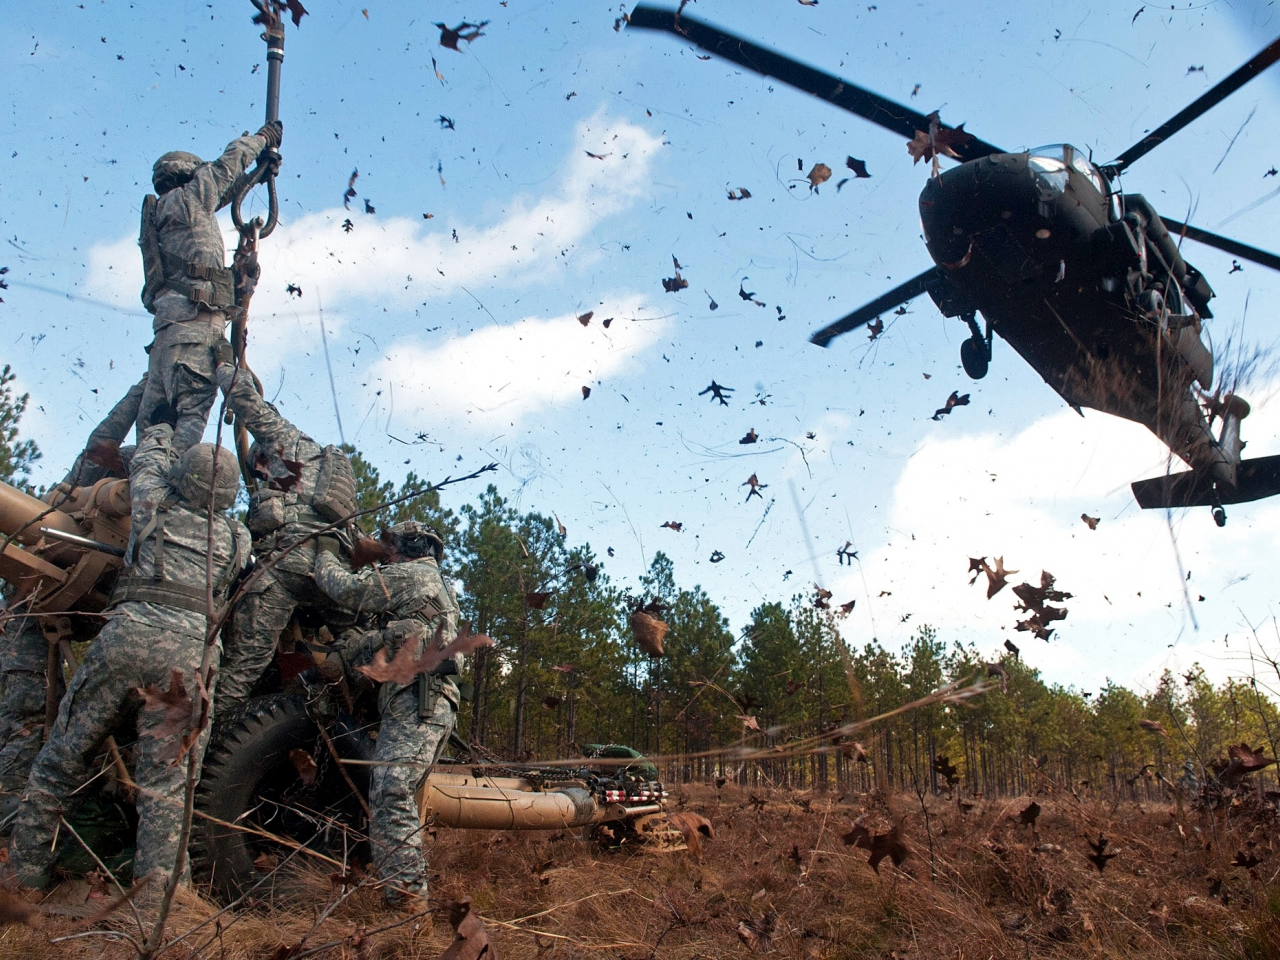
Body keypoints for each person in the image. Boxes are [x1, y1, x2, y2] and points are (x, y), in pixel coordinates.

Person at [8, 421, 250, 889]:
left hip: (129, 635)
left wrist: (161, 429)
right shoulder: (239, 539)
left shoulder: (153, 502)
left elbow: (146, 464)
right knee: (167, 789)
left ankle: (22, 879)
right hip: (191, 658)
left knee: (63, 757)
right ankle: (159, 904)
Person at [0, 376, 147, 813]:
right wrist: (145, 382)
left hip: (115, 617)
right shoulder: (93, 479)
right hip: (37, 608)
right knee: (26, 719)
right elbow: (103, 437)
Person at [311, 522, 462, 905]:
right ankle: (404, 901)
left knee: (391, 793)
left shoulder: (411, 575)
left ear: (410, 548)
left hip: (419, 700)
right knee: (398, 797)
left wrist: (322, 552)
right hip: (429, 701)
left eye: (391, 547)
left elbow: (345, 589)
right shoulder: (439, 587)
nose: (385, 555)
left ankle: (408, 913)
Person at [209, 342, 357, 716]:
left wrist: (225, 365)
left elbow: (244, 398)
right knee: (360, 640)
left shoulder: (281, 436)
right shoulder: (323, 464)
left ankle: (203, 747)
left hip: (287, 566)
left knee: (238, 674)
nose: (258, 473)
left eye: (258, 466)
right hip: (333, 575)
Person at [135, 121, 283, 455]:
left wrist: (259, 171)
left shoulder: (161, 216)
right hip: (196, 342)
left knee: (149, 449)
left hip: (163, 347)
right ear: (189, 176)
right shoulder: (190, 199)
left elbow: (226, 190)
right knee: (183, 453)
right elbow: (225, 168)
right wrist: (262, 140)